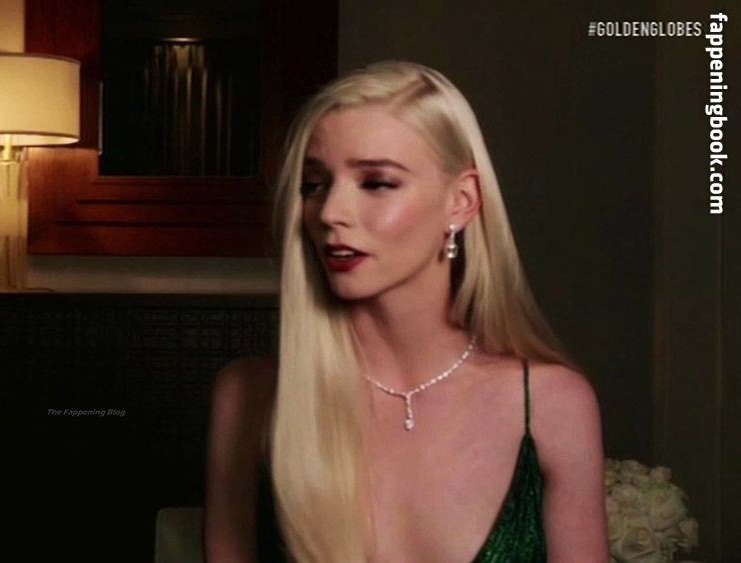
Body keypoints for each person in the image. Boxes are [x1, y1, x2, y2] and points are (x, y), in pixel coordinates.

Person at [203, 61, 608, 563]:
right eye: (314, 185)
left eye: (376, 183)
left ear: (461, 202)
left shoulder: (551, 404)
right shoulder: (251, 395)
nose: (330, 213)